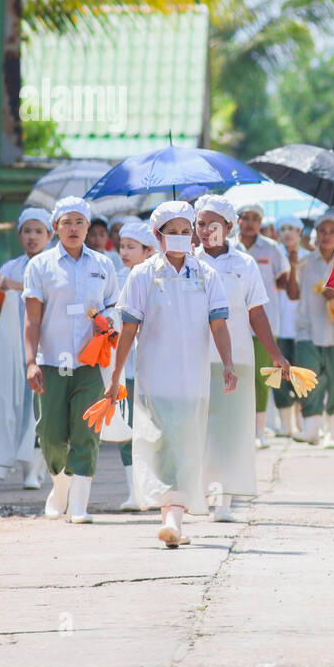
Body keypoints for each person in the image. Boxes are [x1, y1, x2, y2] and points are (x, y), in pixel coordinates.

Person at [104, 201, 236, 547]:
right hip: (155, 381)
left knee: (186, 447)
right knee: (162, 448)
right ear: (157, 235)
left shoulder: (207, 274)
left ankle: (174, 519)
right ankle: (172, 519)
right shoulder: (142, 275)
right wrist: (116, 376)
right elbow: (128, 330)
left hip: (192, 382)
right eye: (170, 232)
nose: (178, 238)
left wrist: (228, 364)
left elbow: (219, 324)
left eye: (184, 231)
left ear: (193, 234)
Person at [194, 195, 293, 522]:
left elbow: (257, 312)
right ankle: (196, 493)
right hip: (192, 358)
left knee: (232, 430)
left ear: (229, 227)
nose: (206, 231)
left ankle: (224, 500)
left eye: (214, 225)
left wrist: (276, 353)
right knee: (198, 429)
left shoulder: (244, 263)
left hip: (237, 357)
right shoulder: (188, 263)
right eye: (200, 224)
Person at [22, 197, 120, 523]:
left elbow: (113, 307)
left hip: (90, 363)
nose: (74, 228)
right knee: (50, 434)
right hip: (51, 361)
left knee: (87, 432)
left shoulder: (103, 266)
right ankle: (60, 487)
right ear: (56, 228)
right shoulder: (40, 266)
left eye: (80, 222)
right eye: (67, 222)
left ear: (89, 227)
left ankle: (79, 505)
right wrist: (31, 362)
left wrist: (107, 319)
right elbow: (32, 320)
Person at [0, 208, 54, 488]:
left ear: (49, 235)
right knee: (19, 409)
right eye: (27, 231)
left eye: (38, 231)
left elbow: (51, 297)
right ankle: (27, 469)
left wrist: (15, 287)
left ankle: (40, 467)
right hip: (15, 348)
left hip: (50, 347)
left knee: (42, 410)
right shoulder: (10, 267)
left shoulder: (54, 266)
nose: (32, 237)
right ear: (19, 235)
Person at [237, 203, 299, 449]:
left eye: (255, 218)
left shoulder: (272, 249)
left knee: (262, 378)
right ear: (237, 220)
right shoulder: (229, 248)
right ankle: (239, 430)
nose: (250, 222)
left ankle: (258, 431)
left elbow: (283, 282)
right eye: (246, 217)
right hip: (233, 324)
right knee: (237, 376)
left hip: (264, 324)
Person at [292, 209, 334, 448]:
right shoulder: (305, 262)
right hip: (308, 330)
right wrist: (292, 263)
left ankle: (333, 433)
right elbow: (292, 293)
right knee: (308, 377)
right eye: (322, 231)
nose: (327, 236)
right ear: (315, 234)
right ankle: (310, 429)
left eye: (332, 232)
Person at [114, 221, 157, 511]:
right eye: (122, 246)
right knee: (125, 429)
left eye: (131, 247)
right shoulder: (115, 276)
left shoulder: (158, 279)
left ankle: (154, 488)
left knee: (153, 429)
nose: (124, 252)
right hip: (123, 366)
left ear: (148, 250)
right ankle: (134, 491)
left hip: (154, 366)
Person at [272, 214, 308, 441]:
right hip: (277, 323)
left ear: (299, 232)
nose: (287, 232)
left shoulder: (308, 257)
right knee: (278, 375)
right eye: (283, 228)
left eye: (292, 228)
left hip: (302, 326)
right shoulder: (273, 254)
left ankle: (303, 423)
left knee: (302, 374)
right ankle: (285, 424)